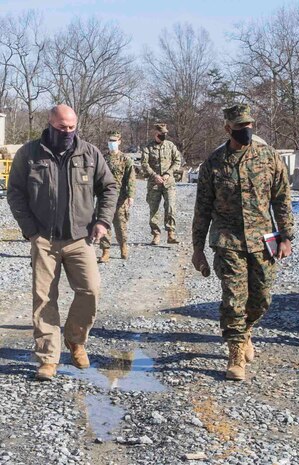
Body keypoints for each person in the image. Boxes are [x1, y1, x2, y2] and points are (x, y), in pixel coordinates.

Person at [7, 104, 117, 380]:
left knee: (90, 290)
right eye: (61, 127)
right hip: (44, 238)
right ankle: (47, 357)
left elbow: (110, 187)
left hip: (81, 238)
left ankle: (75, 340)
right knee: (44, 298)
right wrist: (31, 231)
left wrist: (102, 221)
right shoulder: (29, 154)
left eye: (71, 127)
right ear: (50, 123)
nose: (67, 132)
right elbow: (15, 193)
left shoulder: (89, 153)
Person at [191, 103, 294, 381]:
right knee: (234, 299)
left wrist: (287, 236)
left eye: (249, 126)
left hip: (263, 241)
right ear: (228, 128)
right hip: (227, 241)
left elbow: (282, 200)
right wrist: (197, 249)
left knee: (261, 299)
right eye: (239, 127)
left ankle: (245, 331)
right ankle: (236, 353)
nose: (246, 131)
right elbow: (202, 208)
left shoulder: (268, 158)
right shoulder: (213, 164)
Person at [140, 122, 181, 245]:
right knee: (154, 209)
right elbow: (144, 164)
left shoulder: (170, 146)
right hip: (154, 183)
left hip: (169, 182)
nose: (163, 135)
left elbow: (177, 160)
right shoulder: (148, 147)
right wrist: (154, 175)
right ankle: (156, 234)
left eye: (165, 133)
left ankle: (171, 233)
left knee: (171, 207)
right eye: (161, 134)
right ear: (156, 133)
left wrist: (169, 173)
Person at [98, 131, 135, 263]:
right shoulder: (102, 158)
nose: (112, 143)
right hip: (104, 197)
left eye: (114, 141)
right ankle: (105, 250)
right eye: (110, 141)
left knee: (120, 225)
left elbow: (130, 178)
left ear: (119, 141)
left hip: (120, 197)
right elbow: (96, 177)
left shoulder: (125, 159)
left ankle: (123, 246)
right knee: (104, 223)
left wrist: (131, 195)